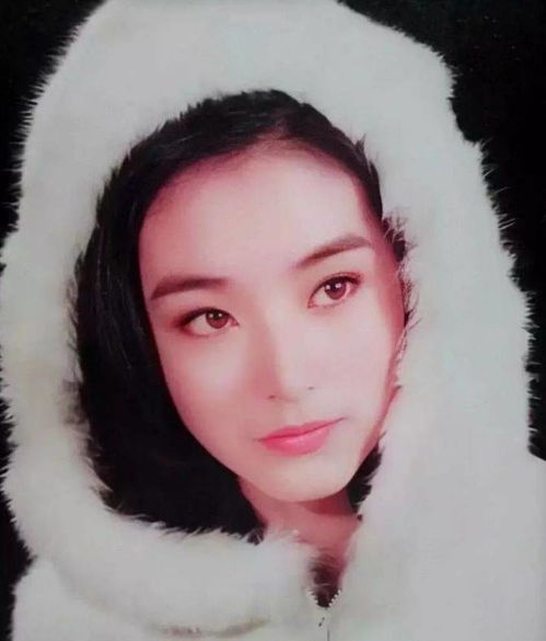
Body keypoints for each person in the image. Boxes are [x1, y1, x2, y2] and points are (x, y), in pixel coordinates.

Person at [0, 1, 544, 640]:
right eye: (209, 317)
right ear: (133, 337)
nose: (286, 377)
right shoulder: (78, 625)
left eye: (334, 288)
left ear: (425, 275)